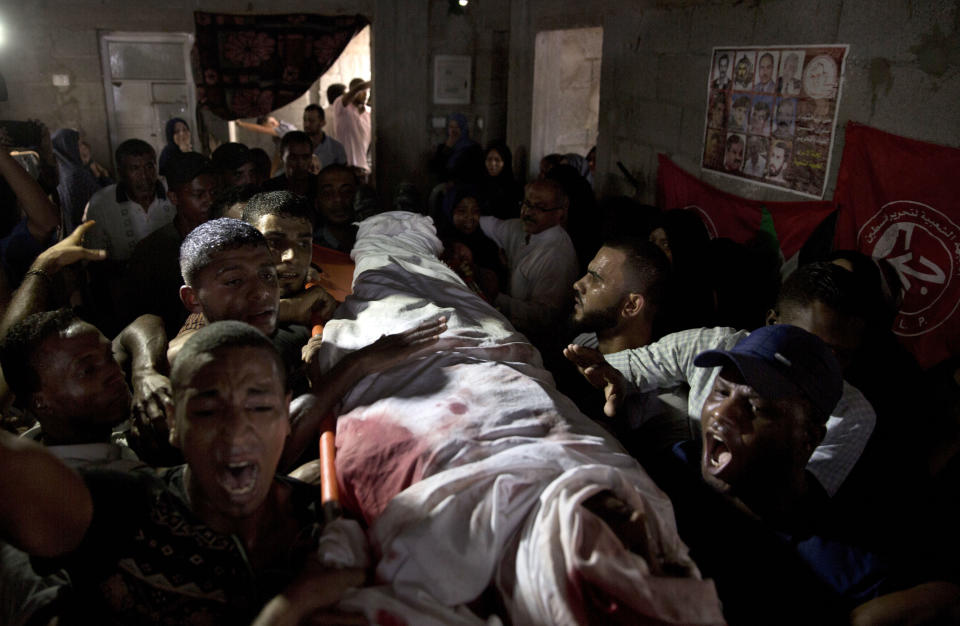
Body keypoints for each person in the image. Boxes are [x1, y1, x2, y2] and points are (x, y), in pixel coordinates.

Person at [0, 322, 370, 625]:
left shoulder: (322, 525)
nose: (237, 431)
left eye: (259, 407)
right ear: (174, 423)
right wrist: (289, 609)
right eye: (207, 412)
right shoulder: (121, 507)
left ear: (286, 415)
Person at [564, 319, 876, 500]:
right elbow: (629, 367)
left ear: (809, 438)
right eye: (721, 392)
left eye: (754, 406)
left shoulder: (832, 565)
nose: (723, 412)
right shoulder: (670, 469)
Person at [122, 152, 218, 337]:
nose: (210, 201)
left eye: (213, 193)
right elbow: (141, 319)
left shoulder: (223, 241)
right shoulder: (152, 252)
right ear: (173, 197)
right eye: (199, 194)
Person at [478, 179, 578, 340]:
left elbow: (545, 317)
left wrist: (496, 297)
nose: (528, 212)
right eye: (526, 204)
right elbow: (490, 225)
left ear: (560, 214)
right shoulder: (520, 228)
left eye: (540, 207)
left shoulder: (557, 255)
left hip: (536, 340)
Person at [242, 191, 337, 327]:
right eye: (274, 242)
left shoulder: (331, 311)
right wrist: (289, 308)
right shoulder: (213, 303)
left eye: (303, 244)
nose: (292, 256)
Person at [82, 139, 174, 263]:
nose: (144, 176)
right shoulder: (101, 204)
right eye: (135, 169)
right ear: (120, 172)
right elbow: (94, 260)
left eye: (149, 166)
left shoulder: (174, 193)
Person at [51, 128, 100, 235]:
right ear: (69, 147)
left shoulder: (61, 172)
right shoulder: (76, 174)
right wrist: (101, 177)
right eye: (79, 144)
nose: (83, 148)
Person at [314, 164, 358, 253]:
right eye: (328, 193)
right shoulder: (311, 249)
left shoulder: (372, 243)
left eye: (346, 192)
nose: (338, 199)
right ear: (317, 203)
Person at [332, 78, 372, 175]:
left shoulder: (369, 112)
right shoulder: (342, 106)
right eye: (362, 91)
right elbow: (352, 93)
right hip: (345, 166)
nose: (365, 94)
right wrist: (366, 84)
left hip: (363, 168)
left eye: (367, 91)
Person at [263, 131, 318, 201]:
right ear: (281, 157)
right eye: (293, 158)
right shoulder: (269, 189)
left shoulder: (320, 186)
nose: (300, 164)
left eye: (305, 157)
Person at [478, 141, 521, 220]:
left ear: (505, 162)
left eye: (497, 160)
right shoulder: (479, 184)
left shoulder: (513, 188)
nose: (492, 163)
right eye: (489, 159)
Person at [302, 104, 346, 170]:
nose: (307, 124)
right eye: (305, 120)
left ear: (322, 123)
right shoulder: (298, 146)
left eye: (312, 121)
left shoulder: (336, 148)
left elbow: (343, 175)